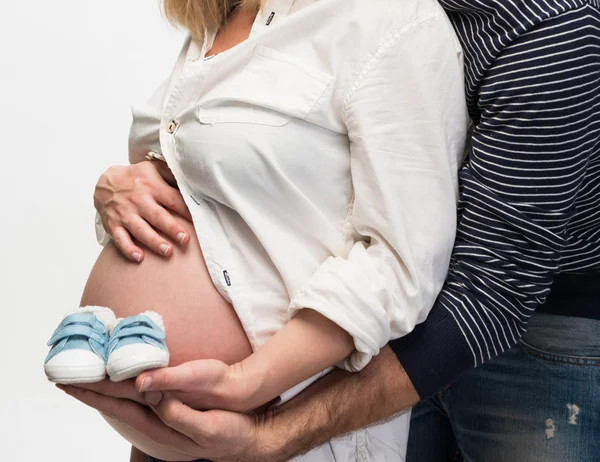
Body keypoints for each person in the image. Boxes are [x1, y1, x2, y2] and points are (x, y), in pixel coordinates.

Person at [60, 0, 600, 461]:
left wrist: (264, 416)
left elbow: (486, 290)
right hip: (390, 330)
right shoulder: (270, 14)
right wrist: (131, 184)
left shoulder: (548, 28)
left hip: (537, 328)